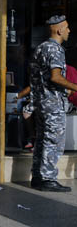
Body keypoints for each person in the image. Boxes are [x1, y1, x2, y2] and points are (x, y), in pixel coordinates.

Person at [30, 15, 77, 192]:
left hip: (41, 102)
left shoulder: (41, 48)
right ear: (58, 30)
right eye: (66, 27)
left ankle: (37, 177)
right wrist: (75, 86)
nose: (69, 31)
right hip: (53, 103)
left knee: (42, 140)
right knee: (53, 141)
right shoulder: (55, 49)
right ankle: (48, 179)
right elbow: (55, 77)